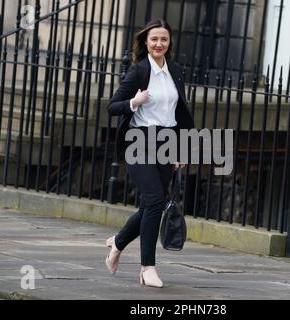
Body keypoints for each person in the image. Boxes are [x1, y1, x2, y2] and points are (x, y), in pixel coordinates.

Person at [105, 18, 195, 288]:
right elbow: (112, 106)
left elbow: (178, 113)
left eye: (164, 39)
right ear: (146, 41)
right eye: (154, 39)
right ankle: (147, 268)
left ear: (169, 43)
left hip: (166, 142)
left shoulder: (175, 71)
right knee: (155, 200)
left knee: (149, 206)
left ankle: (117, 243)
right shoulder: (138, 71)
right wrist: (135, 101)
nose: (159, 44)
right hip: (139, 139)